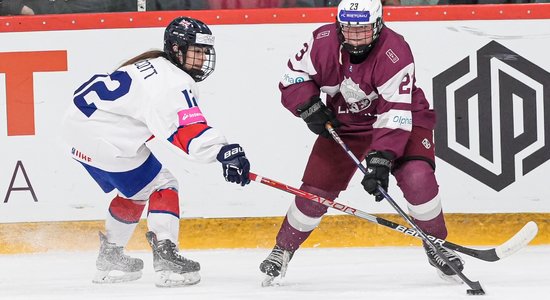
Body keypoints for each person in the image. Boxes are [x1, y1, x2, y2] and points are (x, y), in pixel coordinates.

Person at [259, 0, 464, 286]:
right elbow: (293, 77)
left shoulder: (396, 51)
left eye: (363, 30)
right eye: (349, 29)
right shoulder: (322, 40)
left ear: (378, 25)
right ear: (338, 24)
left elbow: (395, 112)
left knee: (418, 178)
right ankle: (283, 249)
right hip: (347, 122)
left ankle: (436, 245)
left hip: (403, 116)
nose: (355, 36)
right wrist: (307, 104)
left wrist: (381, 159)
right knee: (315, 191)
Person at [62, 16, 251, 288]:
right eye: (196, 51)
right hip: (106, 139)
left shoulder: (149, 63)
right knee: (163, 184)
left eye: (205, 52)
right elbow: (186, 129)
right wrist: (223, 151)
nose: (201, 59)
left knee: (137, 190)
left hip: (76, 132)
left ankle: (111, 257)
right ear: (176, 49)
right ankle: (166, 256)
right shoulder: (173, 81)